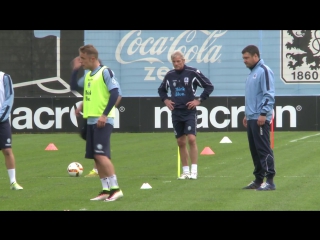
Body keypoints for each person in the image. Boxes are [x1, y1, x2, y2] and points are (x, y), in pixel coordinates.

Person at [70, 44, 123, 201]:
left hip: (102, 121)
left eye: (83, 59)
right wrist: (75, 69)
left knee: (101, 155)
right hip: (90, 120)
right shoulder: (88, 75)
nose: (81, 61)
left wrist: (104, 115)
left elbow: (115, 93)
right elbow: (73, 87)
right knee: (95, 155)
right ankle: (105, 189)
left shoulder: (105, 72)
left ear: (92, 58)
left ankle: (116, 188)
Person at [157, 50, 214, 180]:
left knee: (192, 139)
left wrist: (198, 100)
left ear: (184, 60)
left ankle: (194, 170)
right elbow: (161, 90)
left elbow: (209, 86)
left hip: (189, 111)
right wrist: (166, 100)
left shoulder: (192, 72)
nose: (176, 64)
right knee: (180, 141)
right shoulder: (170, 75)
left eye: (178, 61)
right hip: (176, 111)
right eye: (174, 62)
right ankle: (185, 171)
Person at [241, 45, 276, 191]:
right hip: (251, 117)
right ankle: (258, 179)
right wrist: (247, 114)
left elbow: (268, 94)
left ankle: (270, 181)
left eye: (247, 58)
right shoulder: (252, 73)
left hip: (260, 118)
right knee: (254, 150)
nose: (244, 61)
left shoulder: (264, 71)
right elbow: (254, 96)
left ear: (256, 56)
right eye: (243, 58)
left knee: (263, 149)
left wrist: (263, 114)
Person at [0, 71, 23, 190]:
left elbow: (9, 98)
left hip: (2, 121)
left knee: (7, 150)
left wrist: (1, 116)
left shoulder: (4, 77)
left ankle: (13, 182)